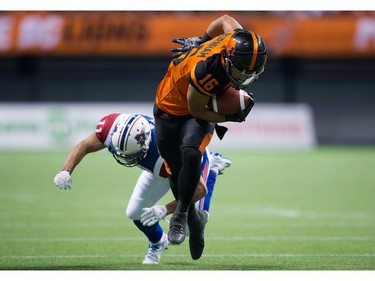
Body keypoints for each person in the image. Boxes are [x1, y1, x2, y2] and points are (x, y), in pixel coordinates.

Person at [153, 14, 267, 259]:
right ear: (228, 58)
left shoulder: (236, 39)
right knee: (174, 172)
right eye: (240, 70)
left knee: (191, 153)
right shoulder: (208, 70)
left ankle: (180, 215)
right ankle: (196, 222)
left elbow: (224, 18)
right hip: (172, 110)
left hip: (196, 109)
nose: (244, 77)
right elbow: (195, 109)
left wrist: (201, 40)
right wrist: (230, 118)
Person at [53, 112, 231, 264]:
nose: (127, 159)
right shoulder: (112, 127)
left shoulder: (166, 153)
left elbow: (199, 190)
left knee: (192, 228)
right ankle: (158, 242)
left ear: (144, 145)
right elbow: (83, 145)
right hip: (157, 169)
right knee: (134, 212)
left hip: (185, 164)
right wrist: (66, 171)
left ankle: (213, 166)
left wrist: (164, 209)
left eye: (132, 155)